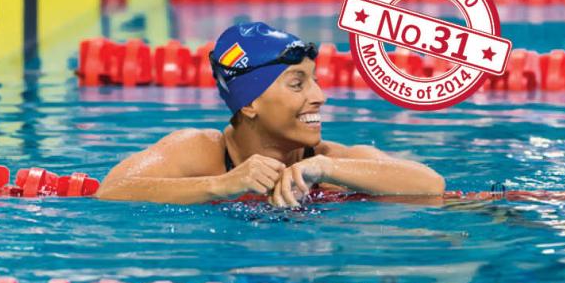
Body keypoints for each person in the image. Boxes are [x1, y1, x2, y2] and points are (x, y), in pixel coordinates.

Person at [96, 22, 445, 207]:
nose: (320, 97)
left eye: (316, 81)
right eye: (298, 84)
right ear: (249, 103)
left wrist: (325, 169)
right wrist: (222, 186)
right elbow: (111, 192)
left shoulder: (327, 162)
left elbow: (431, 186)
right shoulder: (201, 152)